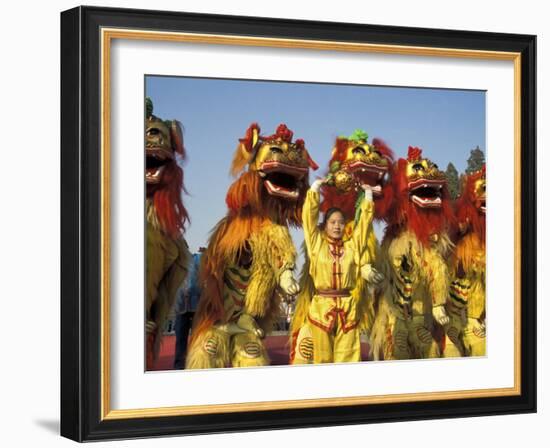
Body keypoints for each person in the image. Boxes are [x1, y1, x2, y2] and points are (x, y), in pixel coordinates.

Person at [301, 177, 375, 363]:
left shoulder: (352, 247)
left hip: (348, 308)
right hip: (321, 308)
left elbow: (363, 228)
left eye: (340, 222)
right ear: (325, 225)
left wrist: (367, 195)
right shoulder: (316, 244)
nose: (337, 226)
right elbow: (309, 220)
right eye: (332, 222)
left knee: (348, 359)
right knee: (322, 360)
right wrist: (315, 189)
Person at [173, 247, 205, 369]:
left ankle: (196, 365)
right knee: (180, 340)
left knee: (197, 340)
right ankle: (178, 368)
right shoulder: (175, 264)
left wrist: (206, 252)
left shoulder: (197, 258)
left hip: (197, 306)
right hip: (181, 308)